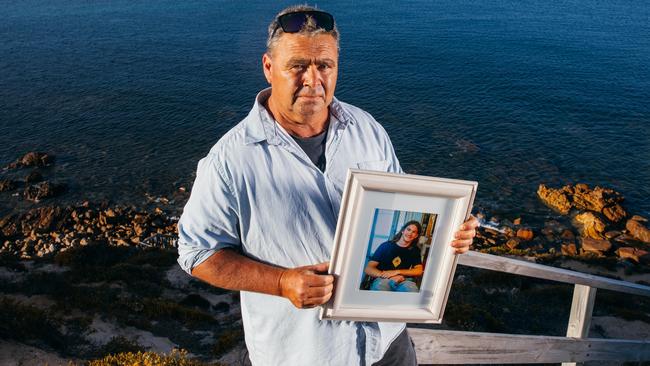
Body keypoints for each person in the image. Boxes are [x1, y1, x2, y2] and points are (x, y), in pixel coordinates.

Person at [176, 5, 478, 366]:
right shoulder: (231, 160)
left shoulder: (367, 129)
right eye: (298, 66)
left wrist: (449, 232)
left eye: (324, 65)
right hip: (307, 354)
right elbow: (196, 253)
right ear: (269, 68)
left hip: (388, 342)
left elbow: (404, 213)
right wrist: (281, 283)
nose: (312, 79)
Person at [364, 221, 424, 292]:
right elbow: (368, 268)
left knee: (412, 291)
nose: (410, 233)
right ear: (403, 231)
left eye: (414, 232)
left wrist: (397, 272)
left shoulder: (415, 250)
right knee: (380, 290)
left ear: (416, 236)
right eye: (408, 229)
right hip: (383, 279)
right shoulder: (386, 246)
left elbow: (419, 270)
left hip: (403, 281)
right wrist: (389, 276)